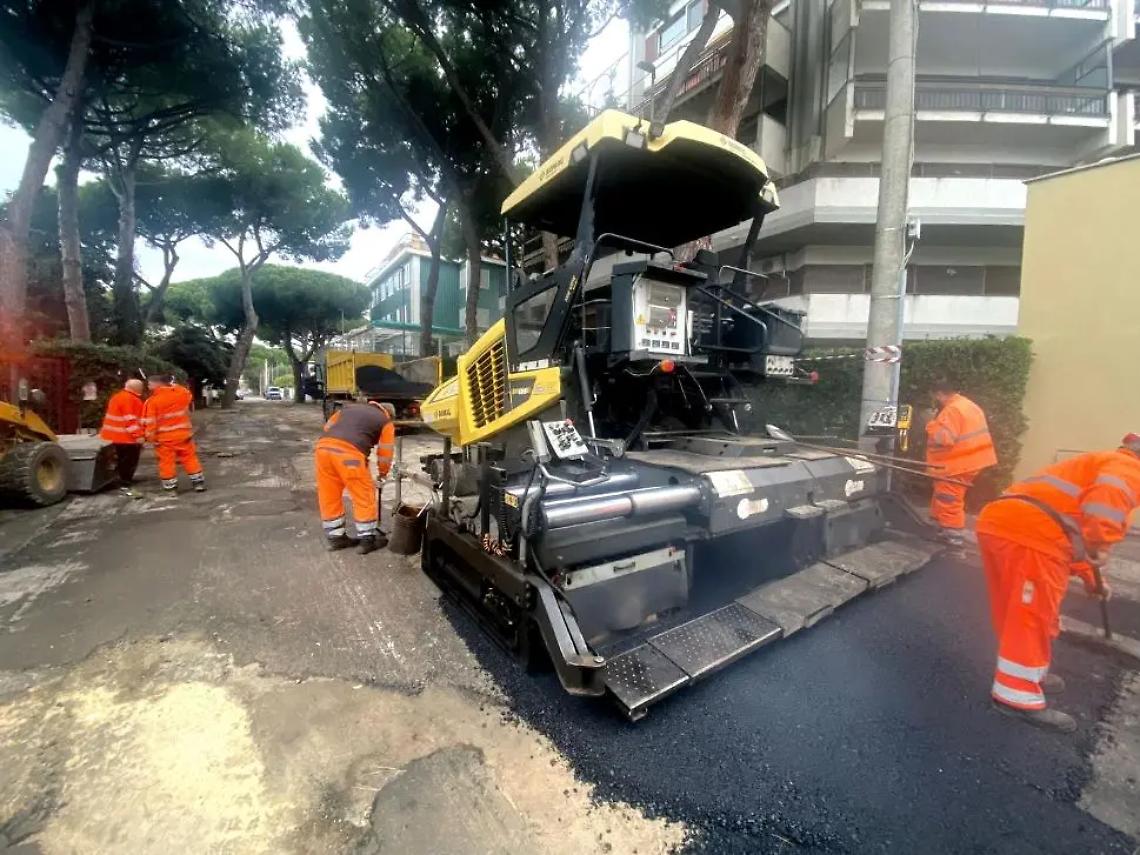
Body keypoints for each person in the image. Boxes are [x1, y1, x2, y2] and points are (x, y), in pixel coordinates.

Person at [975, 434, 1140, 732]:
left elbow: (1073, 534)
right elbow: (1101, 512)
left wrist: (1092, 579)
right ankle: (1016, 697)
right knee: (1032, 616)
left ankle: (1027, 673)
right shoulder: (1127, 469)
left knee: (1017, 611)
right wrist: (1100, 542)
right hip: (1033, 534)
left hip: (1002, 524)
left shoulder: (1101, 462)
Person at [315, 400, 396, 554]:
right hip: (349, 456)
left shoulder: (347, 409)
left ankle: (336, 538)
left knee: (329, 494)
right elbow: (385, 453)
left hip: (322, 450)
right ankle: (367, 540)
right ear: (389, 414)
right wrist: (382, 474)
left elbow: (327, 428)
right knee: (363, 493)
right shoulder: (385, 422)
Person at [925, 378, 997, 545]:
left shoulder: (952, 410)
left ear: (940, 394)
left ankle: (953, 534)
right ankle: (939, 524)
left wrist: (931, 425)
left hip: (956, 464)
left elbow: (944, 439)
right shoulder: (969, 405)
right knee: (942, 493)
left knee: (948, 498)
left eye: (936, 396)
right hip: (971, 461)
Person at [142, 374, 205, 493]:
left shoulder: (152, 401)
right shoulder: (180, 395)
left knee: (166, 463)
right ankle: (198, 483)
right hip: (184, 435)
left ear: (157, 384)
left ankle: (171, 489)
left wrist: (150, 438)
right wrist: (172, 385)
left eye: (150, 383)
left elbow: (150, 423)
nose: (148, 386)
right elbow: (188, 393)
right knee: (190, 458)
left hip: (164, 439)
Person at [99, 378, 146, 484]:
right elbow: (130, 420)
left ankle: (122, 478)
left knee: (122, 459)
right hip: (125, 437)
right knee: (129, 460)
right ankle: (125, 480)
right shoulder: (130, 399)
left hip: (114, 435)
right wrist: (138, 436)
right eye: (141, 387)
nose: (142, 389)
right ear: (136, 388)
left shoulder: (118, 396)